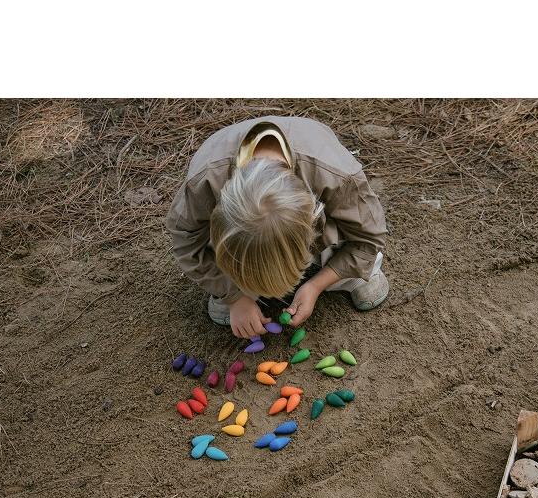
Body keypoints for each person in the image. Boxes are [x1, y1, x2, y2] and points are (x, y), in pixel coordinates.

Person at [165, 115, 389, 339]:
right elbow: (186, 242)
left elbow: (369, 238)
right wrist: (233, 296)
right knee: (223, 272)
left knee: (355, 244)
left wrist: (316, 285)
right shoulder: (203, 183)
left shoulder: (337, 177)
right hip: (235, 229)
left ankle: (350, 276)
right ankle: (234, 287)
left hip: (326, 214)